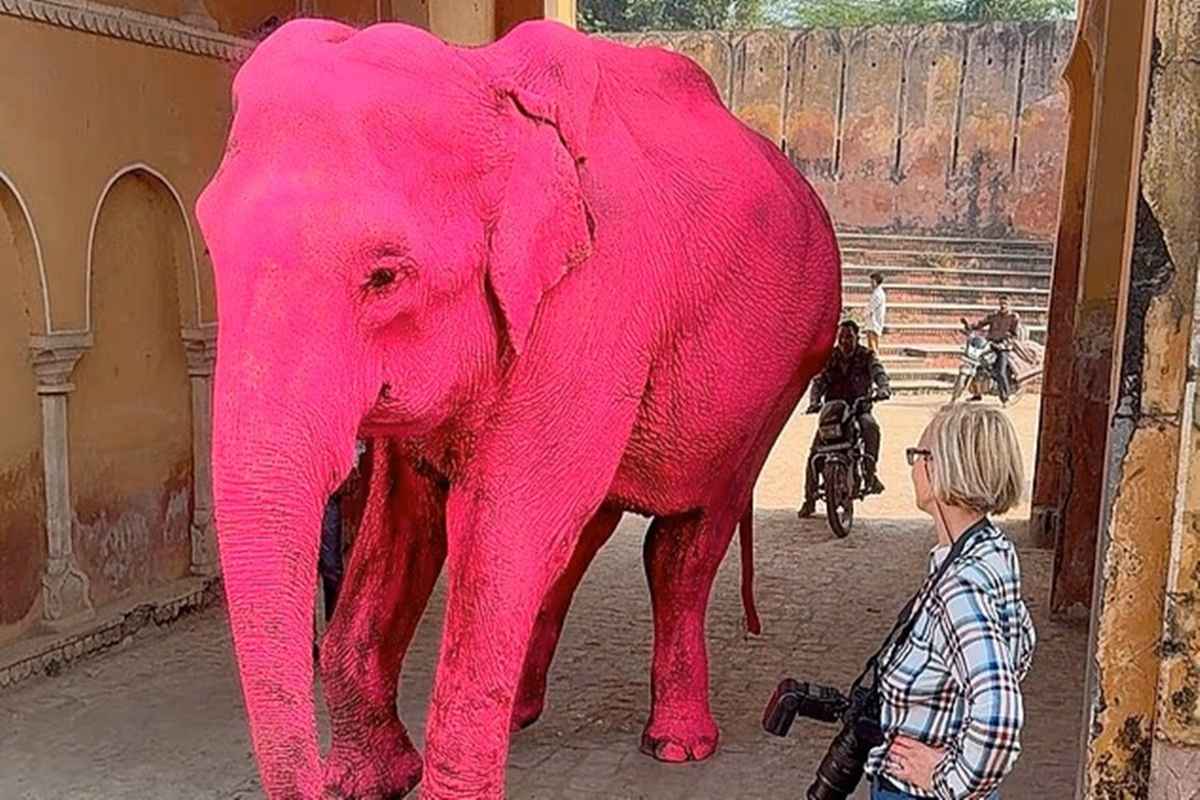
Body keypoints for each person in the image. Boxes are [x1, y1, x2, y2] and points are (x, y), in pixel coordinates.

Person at [866, 404, 1036, 799]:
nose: (913, 467)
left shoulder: (960, 584)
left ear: (941, 468)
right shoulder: (989, 549)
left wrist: (950, 780)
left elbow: (999, 714)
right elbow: (1019, 645)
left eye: (918, 455)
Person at [798, 319, 891, 518]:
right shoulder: (830, 357)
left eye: (849, 337)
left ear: (857, 337)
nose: (844, 341)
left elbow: (878, 372)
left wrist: (883, 388)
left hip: (859, 409)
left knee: (871, 427)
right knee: (815, 452)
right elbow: (819, 380)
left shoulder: (866, 356)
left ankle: (870, 471)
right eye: (841, 337)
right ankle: (809, 499)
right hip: (834, 412)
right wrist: (814, 401)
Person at [962, 296, 1021, 404]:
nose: (1003, 306)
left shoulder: (1013, 317)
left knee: (1000, 371)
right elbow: (980, 324)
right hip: (991, 344)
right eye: (1001, 303)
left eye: (1005, 304)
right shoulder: (994, 316)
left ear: (1009, 305)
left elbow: (1014, 335)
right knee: (978, 365)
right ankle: (977, 393)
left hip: (1004, 347)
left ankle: (1005, 397)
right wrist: (969, 326)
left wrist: (1004, 344)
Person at [865, 271, 887, 352]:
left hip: (874, 323)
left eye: (872, 281)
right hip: (872, 322)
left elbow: (871, 307)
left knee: (873, 345)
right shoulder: (877, 293)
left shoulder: (878, 294)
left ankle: (875, 360)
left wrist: (864, 313)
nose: (871, 284)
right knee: (871, 345)